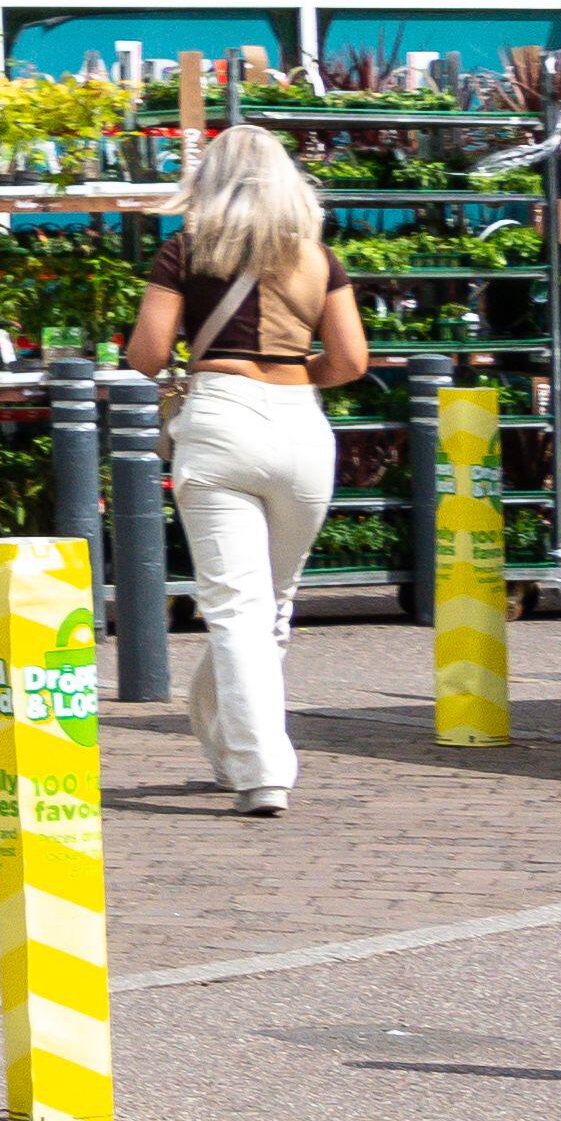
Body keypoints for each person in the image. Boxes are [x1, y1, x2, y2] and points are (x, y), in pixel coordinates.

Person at [123, 124, 368, 818]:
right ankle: (231, 745)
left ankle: (262, 770)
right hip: (301, 424)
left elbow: (146, 355)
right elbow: (351, 362)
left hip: (221, 419)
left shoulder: (186, 249)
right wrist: (291, 375)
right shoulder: (319, 257)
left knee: (237, 609)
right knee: (270, 607)